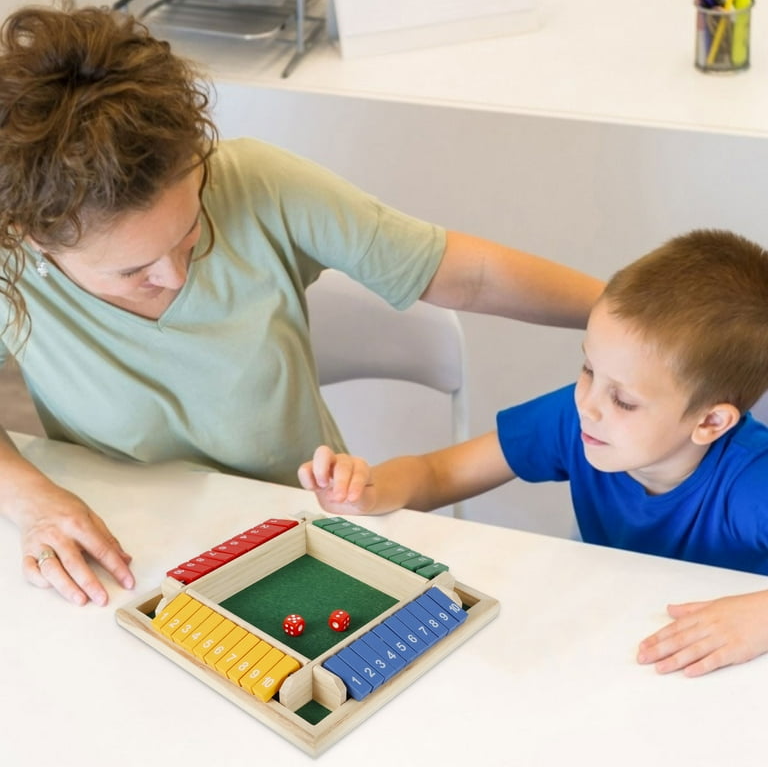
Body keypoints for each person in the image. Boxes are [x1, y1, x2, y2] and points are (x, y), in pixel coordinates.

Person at [0, 3, 604, 608]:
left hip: (305, 537)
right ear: (30, 236)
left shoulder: (257, 183)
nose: (177, 274)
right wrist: (30, 497)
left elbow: (464, 276)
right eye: (134, 272)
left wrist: (626, 316)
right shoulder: (9, 262)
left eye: (191, 234)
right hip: (131, 558)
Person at [299, 228, 768, 677]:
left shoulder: (753, 479)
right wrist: (368, 490)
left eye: (623, 399)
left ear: (710, 422)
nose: (588, 405)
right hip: (616, 639)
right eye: (587, 368)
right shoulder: (576, 417)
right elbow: (439, 472)